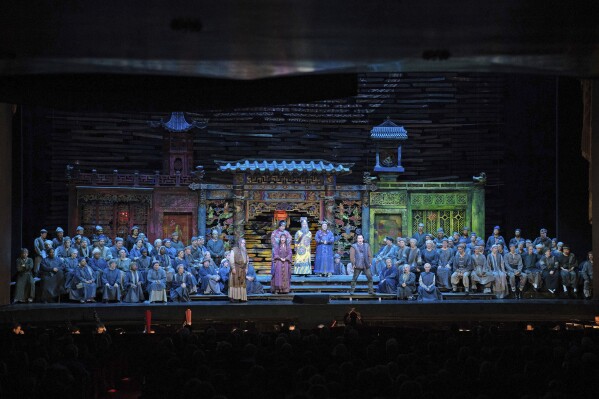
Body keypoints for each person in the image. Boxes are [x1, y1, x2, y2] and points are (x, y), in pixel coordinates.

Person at [229, 238, 249, 302]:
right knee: (234, 283)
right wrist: (233, 268)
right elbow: (231, 259)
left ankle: (242, 297)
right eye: (243, 243)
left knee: (242, 284)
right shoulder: (234, 250)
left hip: (242, 269)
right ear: (239, 243)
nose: (244, 244)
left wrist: (246, 268)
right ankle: (233, 297)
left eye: (245, 243)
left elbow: (247, 260)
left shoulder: (245, 251)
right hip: (236, 268)